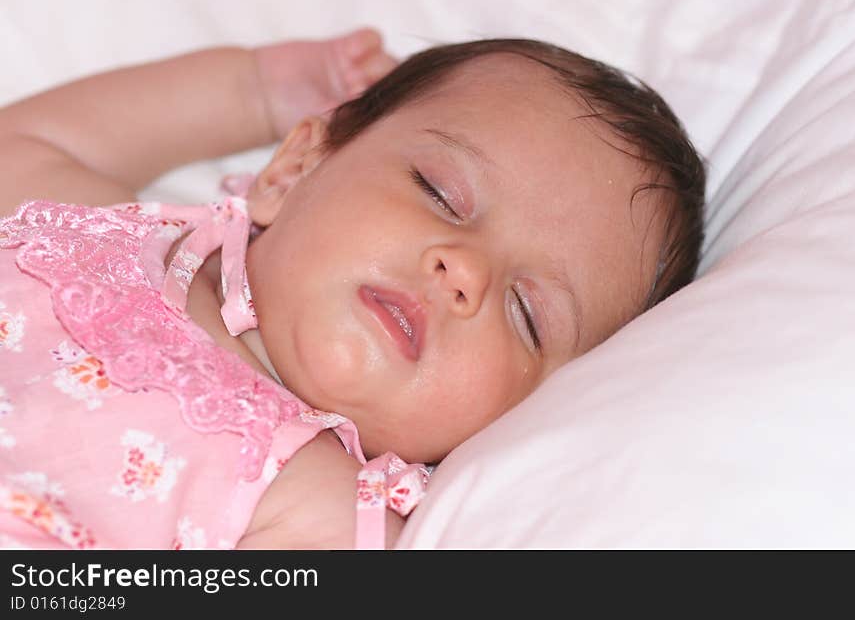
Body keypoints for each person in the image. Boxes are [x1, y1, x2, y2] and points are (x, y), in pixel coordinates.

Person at [0, 27, 705, 549]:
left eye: (527, 314)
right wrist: (255, 90)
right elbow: (25, 146)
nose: (463, 271)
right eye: (439, 193)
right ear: (293, 169)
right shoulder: (104, 239)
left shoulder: (322, 515)